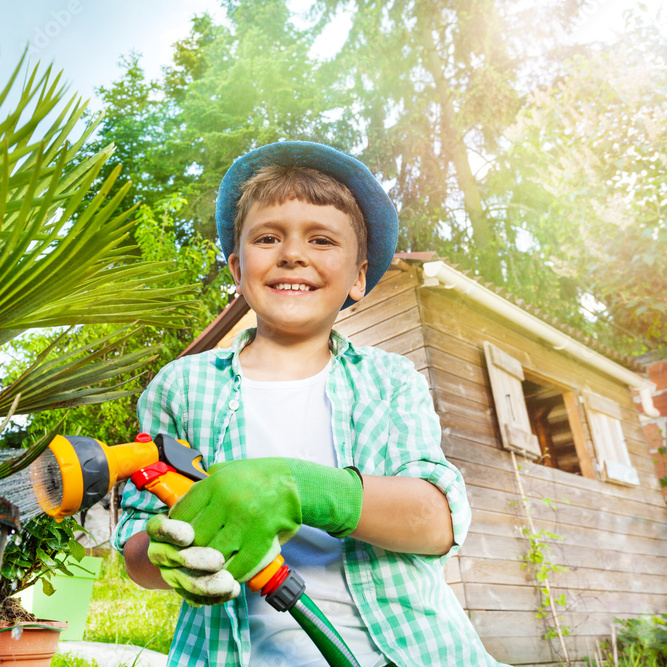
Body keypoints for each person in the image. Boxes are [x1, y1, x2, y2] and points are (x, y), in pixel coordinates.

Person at [112, 141, 504, 666]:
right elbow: (136, 546)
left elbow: (438, 521)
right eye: (269, 237)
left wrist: (303, 488)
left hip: (410, 651)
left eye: (321, 239)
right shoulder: (180, 387)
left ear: (358, 277)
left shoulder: (390, 381)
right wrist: (169, 553)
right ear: (237, 268)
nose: (292, 254)